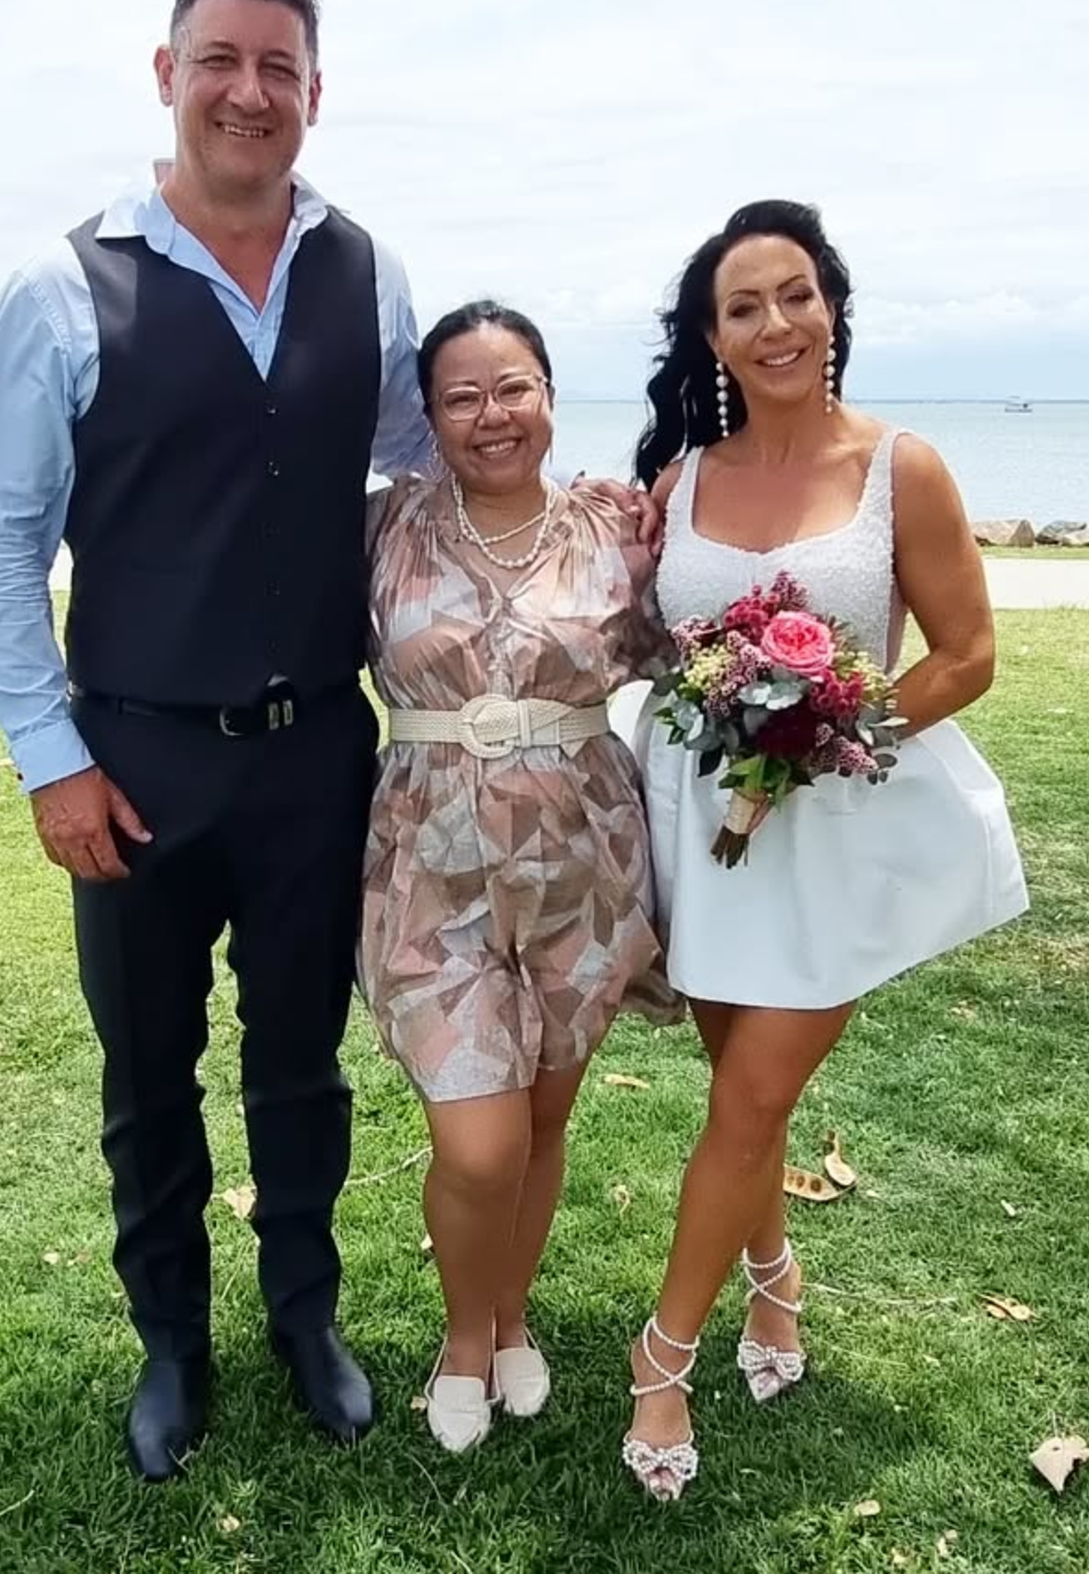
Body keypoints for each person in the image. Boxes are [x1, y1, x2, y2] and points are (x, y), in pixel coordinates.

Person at [0, 0, 434, 1482]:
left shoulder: (366, 272)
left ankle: (306, 1314)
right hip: (138, 757)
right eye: (218, 62)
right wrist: (51, 764)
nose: (249, 92)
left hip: (318, 758)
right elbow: (2, 541)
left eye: (278, 68)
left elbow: (438, 458)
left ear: (315, 91)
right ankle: (172, 1337)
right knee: (146, 1068)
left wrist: (614, 519)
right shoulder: (60, 287)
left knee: (302, 1059)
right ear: (167, 75)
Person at [617, 199, 1030, 1501]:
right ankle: (776, 1285)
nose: (776, 323)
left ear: (833, 307)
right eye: (745, 307)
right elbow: (642, 641)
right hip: (698, 822)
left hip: (831, 822)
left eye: (796, 294)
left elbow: (967, 655)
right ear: (713, 337)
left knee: (750, 1101)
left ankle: (659, 1360)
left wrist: (826, 724)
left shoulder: (902, 468)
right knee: (747, 1089)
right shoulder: (682, 480)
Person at [360, 301, 676, 1454]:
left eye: (513, 387)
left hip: (581, 859)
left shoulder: (615, 529)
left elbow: (698, 647)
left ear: (548, 393)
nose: (491, 415)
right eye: (461, 395)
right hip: (428, 862)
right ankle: (458, 1334)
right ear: (428, 415)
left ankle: (507, 1316)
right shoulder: (383, 530)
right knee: (475, 1138)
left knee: (542, 1114)